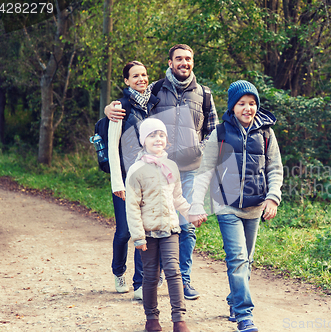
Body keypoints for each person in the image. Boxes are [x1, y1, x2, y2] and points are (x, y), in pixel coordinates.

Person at [105, 44, 218, 300]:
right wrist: (108, 110)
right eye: (179, 59)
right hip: (154, 170)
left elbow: (213, 130)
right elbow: (130, 106)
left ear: (193, 62)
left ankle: (183, 280)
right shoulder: (155, 90)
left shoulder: (205, 94)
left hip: (189, 171)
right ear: (170, 62)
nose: (184, 63)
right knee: (146, 225)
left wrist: (200, 150)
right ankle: (144, 280)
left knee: (186, 226)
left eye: (188, 59)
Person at [188, 80, 284, 332]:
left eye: (252, 104)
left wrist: (273, 197)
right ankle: (244, 315)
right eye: (242, 104)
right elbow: (205, 171)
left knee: (247, 260)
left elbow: (275, 168)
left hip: (254, 207)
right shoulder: (219, 133)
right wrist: (197, 204)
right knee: (238, 259)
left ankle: (234, 300)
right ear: (232, 107)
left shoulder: (266, 133)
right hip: (226, 206)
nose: (248, 108)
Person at [126, 118, 203, 332]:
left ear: (166, 140)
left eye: (161, 135)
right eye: (152, 135)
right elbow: (132, 206)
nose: (158, 139)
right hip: (148, 233)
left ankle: (179, 320)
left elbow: (178, 198)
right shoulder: (136, 170)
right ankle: (152, 319)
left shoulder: (171, 166)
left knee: (173, 271)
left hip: (170, 229)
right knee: (150, 275)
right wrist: (138, 236)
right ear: (143, 141)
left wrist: (191, 214)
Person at [108, 61, 156, 300]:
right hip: (125, 181)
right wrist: (117, 183)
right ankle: (118, 271)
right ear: (126, 80)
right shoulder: (120, 107)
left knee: (142, 232)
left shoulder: (153, 105)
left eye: (144, 75)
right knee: (125, 232)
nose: (141, 79)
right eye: (135, 76)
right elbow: (112, 148)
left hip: (147, 181)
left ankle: (140, 284)